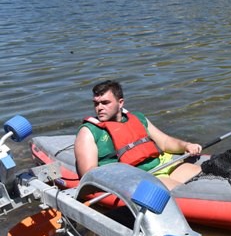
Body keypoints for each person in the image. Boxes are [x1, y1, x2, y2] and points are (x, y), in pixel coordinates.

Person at [74, 80, 202, 190]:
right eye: (96, 103)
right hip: (140, 177)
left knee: (202, 174)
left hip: (161, 164)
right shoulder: (89, 132)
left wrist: (187, 145)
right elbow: (89, 173)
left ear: (121, 103)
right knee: (181, 191)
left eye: (105, 102)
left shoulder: (138, 118)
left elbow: (164, 142)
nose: (99, 108)